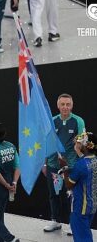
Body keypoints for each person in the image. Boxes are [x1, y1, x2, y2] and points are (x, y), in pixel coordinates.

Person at [43, 93, 85, 233]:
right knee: (54, 194)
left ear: (72, 105)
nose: (65, 107)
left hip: (71, 167)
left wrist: (79, 144)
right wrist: (45, 164)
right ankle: (55, 220)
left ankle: (74, 224)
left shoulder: (78, 121)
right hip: (53, 166)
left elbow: (83, 144)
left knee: (72, 195)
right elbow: (46, 144)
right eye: (63, 104)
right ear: (58, 105)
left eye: (68, 104)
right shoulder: (52, 120)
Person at [59, 132, 97, 242]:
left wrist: (64, 169)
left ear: (86, 146)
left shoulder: (80, 165)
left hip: (80, 208)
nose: (77, 144)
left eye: (79, 143)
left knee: (82, 238)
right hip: (91, 206)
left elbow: (69, 185)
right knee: (85, 232)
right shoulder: (94, 159)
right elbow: (85, 169)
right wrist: (78, 151)